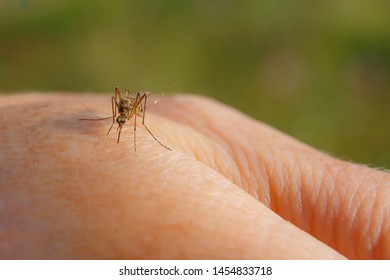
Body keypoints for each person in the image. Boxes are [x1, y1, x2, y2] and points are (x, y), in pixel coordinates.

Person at [0, 93, 388, 259]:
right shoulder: (118, 110)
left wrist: (139, 125)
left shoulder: (134, 109)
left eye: (124, 115)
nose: (122, 117)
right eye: (121, 116)